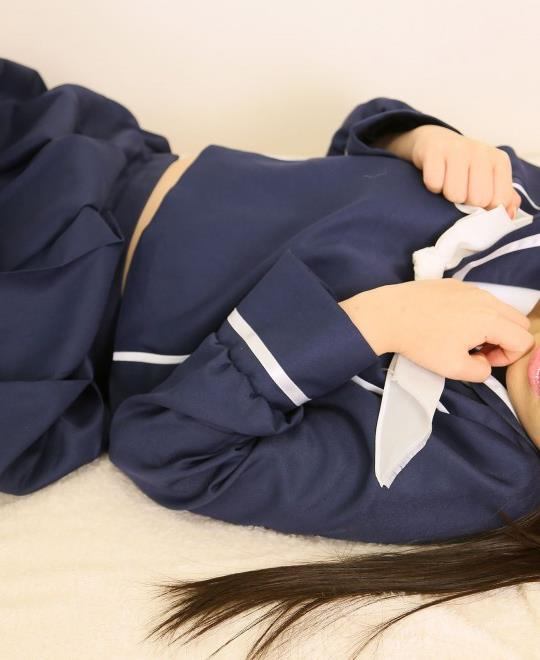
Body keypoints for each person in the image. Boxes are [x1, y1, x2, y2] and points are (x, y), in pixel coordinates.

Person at [1, 58, 539, 658]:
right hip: (79, 153)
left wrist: (370, 324)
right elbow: (356, 147)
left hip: (52, 306)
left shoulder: (479, 472)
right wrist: (420, 138)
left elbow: (171, 451)